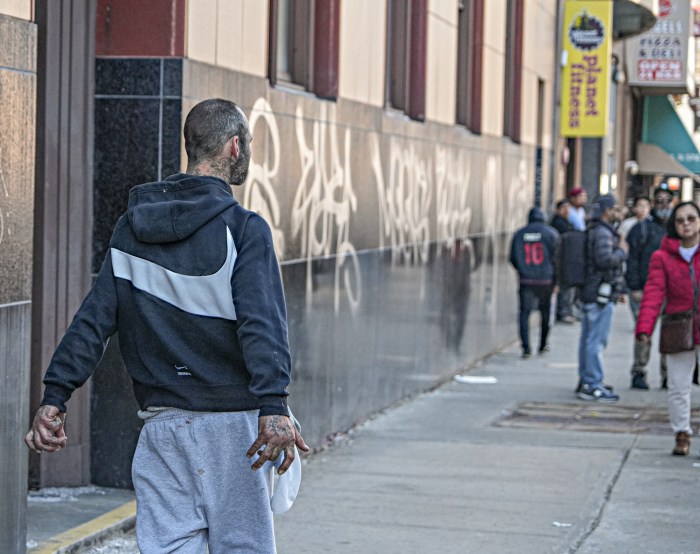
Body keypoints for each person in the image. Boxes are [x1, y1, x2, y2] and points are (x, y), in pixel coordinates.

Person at [24, 98, 309, 553]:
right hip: (235, 431)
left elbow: (92, 324)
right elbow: (262, 327)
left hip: (163, 429)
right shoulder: (244, 230)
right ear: (235, 147)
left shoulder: (132, 229)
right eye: (248, 144)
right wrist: (273, 406)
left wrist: (55, 397)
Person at [636, 201, 700, 456]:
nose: (686, 224)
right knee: (678, 385)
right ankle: (681, 432)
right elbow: (653, 292)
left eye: (691, 218)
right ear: (674, 225)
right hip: (678, 325)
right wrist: (645, 327)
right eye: (680, 220)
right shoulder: (662, 256)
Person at [576, 194, 627, 403]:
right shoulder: (603, 233)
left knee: (589, 339)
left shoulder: (595, 230)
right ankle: (592, 383)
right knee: (596, 341)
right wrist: (622, 252)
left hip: (593, 292)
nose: (618, 213)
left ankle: (587, 380)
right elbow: (605, 260)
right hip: (599, 295)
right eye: (615, 209)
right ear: (608, 211)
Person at [625, 186, 674, 389]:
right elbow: (632, 260)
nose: (663, 204)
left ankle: (667, 375)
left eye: (666, 200)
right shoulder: (642, 228)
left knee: (670, 335)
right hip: (647, 290)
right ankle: (638, 371)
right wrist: (634, 287)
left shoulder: (677, 229)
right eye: (659, 200)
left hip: (673, 292)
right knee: (644, 333)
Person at [509, 207, 559, 358]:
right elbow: (557, 259)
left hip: (526, 280)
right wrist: (556, 281)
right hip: (545, 280)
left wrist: (523, 270)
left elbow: (512, 257)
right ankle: (543, 344)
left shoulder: (519, 234)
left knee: (524, 313)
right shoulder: (551, 233)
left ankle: (526, 347)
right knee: (545, 312)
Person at [550, 199, 577, 324]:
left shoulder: (567, 222)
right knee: (564, 287)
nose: (567, 210)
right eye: (564, 207)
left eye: (568, 207)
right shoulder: (559, 223)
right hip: (562, 259)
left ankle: (565, 311)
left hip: (566, 258)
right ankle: (563, 312)